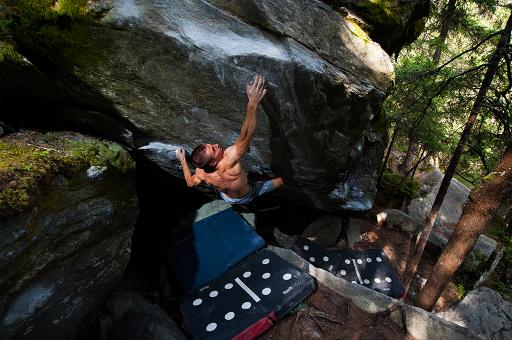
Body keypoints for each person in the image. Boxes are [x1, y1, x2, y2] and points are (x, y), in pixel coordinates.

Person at [175, 74, 283, 205]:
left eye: (210, 145)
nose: (215, 144)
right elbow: (246, 135)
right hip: (247, 196)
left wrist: (182, 160)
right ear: (214, 163)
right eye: (214, 150)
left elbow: (190, 183)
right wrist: (252, 103)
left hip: (228, 197)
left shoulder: (201, 173)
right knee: (284, 180)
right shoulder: (229, 160)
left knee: (227, 192)